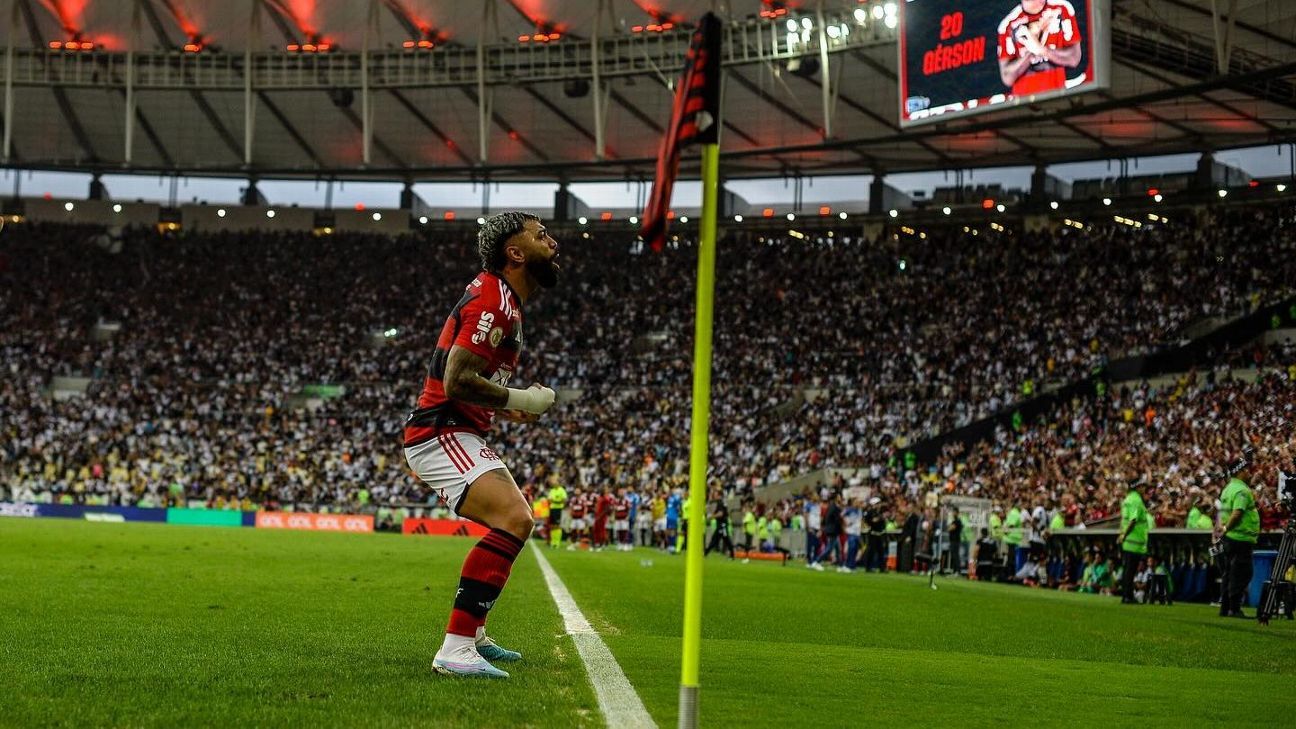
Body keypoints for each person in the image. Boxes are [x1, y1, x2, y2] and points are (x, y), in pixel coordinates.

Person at [401, 211, 561, 678]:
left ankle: (473, 635)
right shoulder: (494, 301)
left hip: (458, 429)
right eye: (540, 236)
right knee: (515, 518)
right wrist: (521, 399)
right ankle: (455, 647)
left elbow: (472, 382)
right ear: (515, 252)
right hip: (439, 432)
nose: (552, 242)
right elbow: (455, 381)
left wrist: (510, 405)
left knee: (516, 519)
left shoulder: (505, 299)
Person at [997, 0, 1083, 97]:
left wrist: (1042, 50)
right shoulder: (1008, 24)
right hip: (1024, 103)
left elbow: (1074, 58)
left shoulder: (1061, 8)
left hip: (1058, 96)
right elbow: (1007, 77)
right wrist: (1031, 52)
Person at [1216, 455, 1261, 618]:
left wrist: (1223, 530)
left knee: (1228, 573)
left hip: (1230, 538)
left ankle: (1225, 608)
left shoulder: (1228, 488)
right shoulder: (1242, 490)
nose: (1249, 472)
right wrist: (1227, 527)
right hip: (1240, 538)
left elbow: (1223, 513)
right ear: (1240, 471)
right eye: (1246, 469)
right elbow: (1238, 512)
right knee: (1242, 573)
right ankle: (1234, 608)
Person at [1118, 478, 1150, 605]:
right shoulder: (1136, 500)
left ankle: (1126, 595)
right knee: (1130, 571)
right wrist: (1124, 535)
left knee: (1128, 570)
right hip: (1134, 541)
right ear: (1137, 487)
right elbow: (1133, 520)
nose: (1144, 488)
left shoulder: (1127, 499)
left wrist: (1122, 535)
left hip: (1128, 541)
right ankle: (1128, 596)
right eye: (1142, 486)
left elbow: (1125, 520)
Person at [546, 476, 567, 548]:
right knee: (552, 526)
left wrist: (555, 501)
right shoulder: (552, 491)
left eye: (555, 482)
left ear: (559, 483)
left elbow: (564, 500)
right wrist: (558, 501)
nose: (554, 483)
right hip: (552, 509)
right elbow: (549, 500)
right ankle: (553, 542)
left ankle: (557, 543)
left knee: (557, 526)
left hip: (558, 510)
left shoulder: (562, 490)